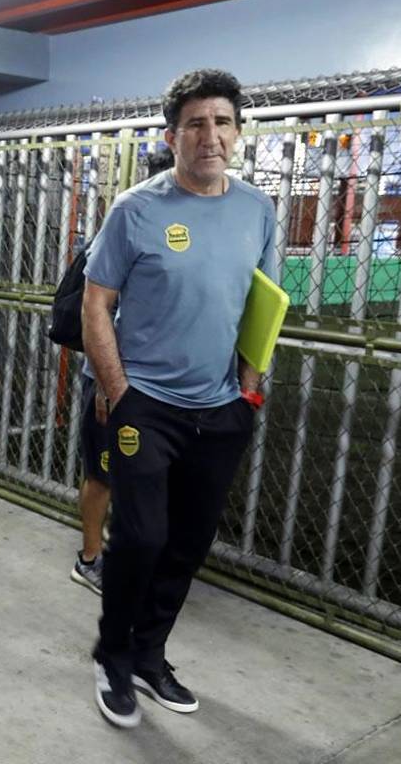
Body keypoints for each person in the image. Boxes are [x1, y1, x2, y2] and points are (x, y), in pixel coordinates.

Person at [82, 69, 276, 728]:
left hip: (222, 407)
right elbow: (96, 302)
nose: (210, 135)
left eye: (222, 122)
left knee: (189, 541)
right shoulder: (136, 209)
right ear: (172, 136)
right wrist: (120, 392)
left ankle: (148, 653)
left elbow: (264, 306)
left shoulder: (257, 208)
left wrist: (249, 387)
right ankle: (111, 654)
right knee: (140, 536)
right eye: (196, 123)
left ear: (238, 133)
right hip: (148, 405)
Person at [72, 146, 175, 596]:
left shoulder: (180, 237)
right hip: (114, 380)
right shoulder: (127, 225)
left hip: (163, 383)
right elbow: (99, 312)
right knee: (104, 472)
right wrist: (102, 384)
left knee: (149, 475)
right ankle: (90, 559)